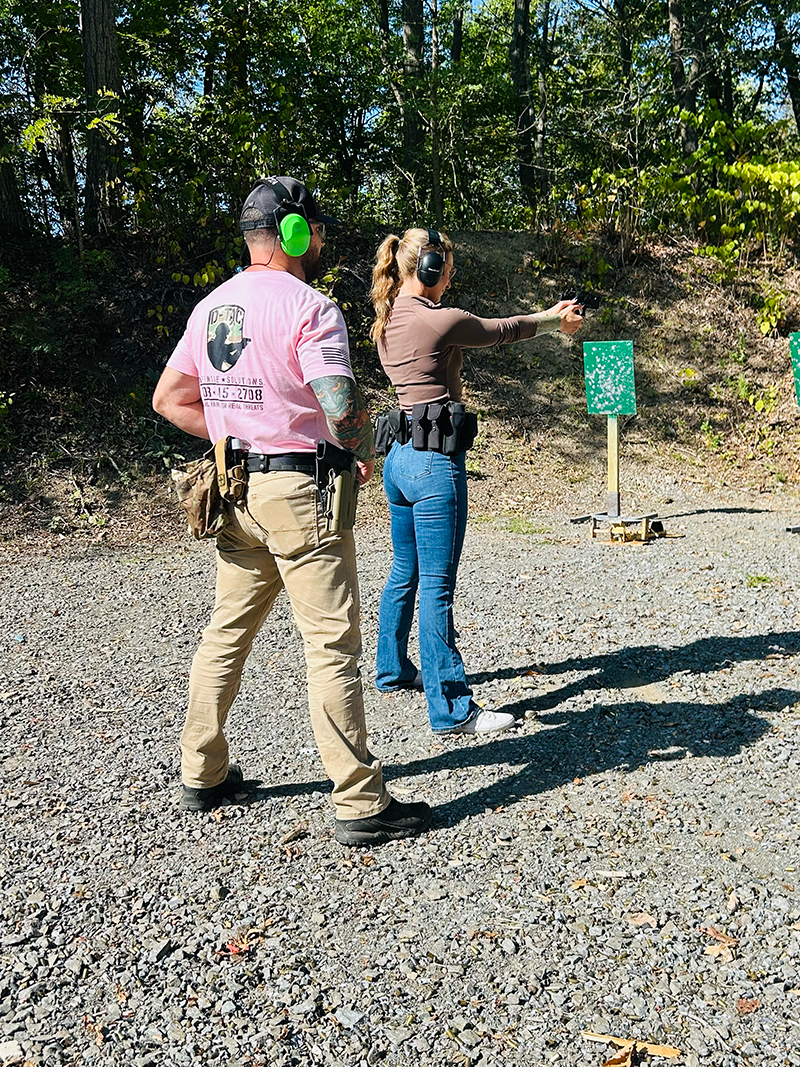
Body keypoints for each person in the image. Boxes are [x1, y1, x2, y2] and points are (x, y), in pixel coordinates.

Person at [152, 177, 431, 847]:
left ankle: (203, 769)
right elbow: (339, 406)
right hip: (299, 494)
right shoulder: (311, 306)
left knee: (226, 633)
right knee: (331, 644)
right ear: (297, 234)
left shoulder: (214, 306)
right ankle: (361, 799)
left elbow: (171, 398)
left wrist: (234, 431)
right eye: (316, 230)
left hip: (235, 490)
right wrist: (366, 442)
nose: (323, 243)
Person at [370, 227, 584, 736]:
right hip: (433, 465)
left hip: (398, 459)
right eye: (446, 267)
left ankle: (392, 670)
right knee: (437, 588)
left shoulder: (386, 318)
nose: (450, 276)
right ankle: (451, 707)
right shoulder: (439, 320)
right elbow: (501, 329)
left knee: (405, 570)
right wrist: (556, 321)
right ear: (427, 269)